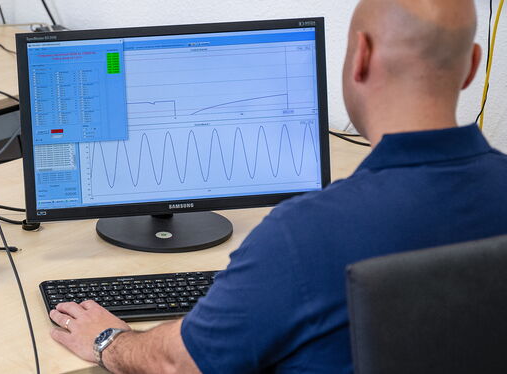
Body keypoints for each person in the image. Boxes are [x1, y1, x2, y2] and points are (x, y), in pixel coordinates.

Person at [47, 0, 507, 372]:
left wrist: (111, 340)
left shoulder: (307, 231)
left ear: (361, 56)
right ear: (470, 66)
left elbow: (178, 362)